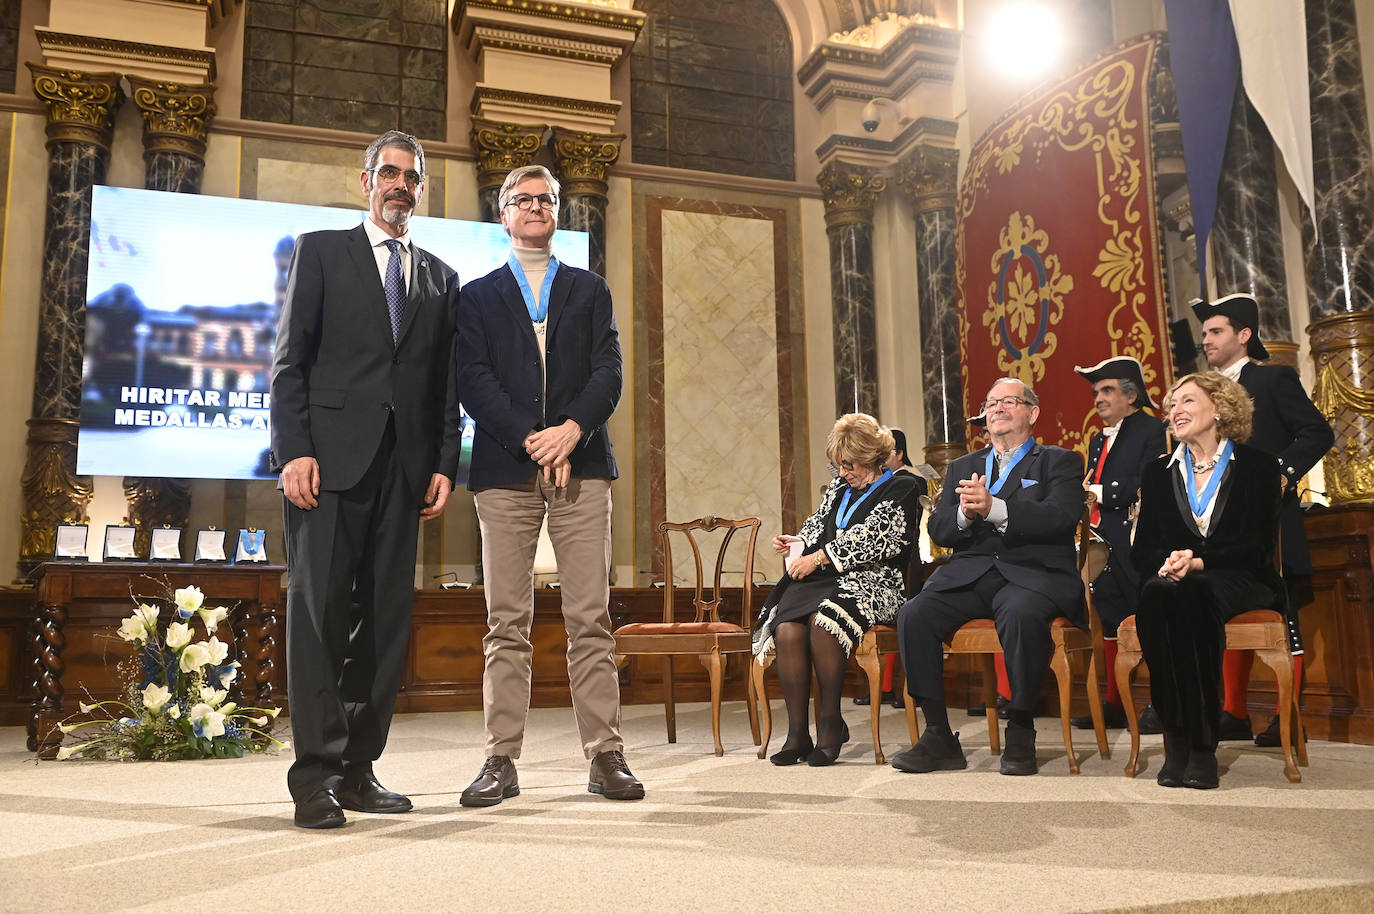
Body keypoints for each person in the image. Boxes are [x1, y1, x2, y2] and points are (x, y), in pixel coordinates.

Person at [271, 130, 462, 829]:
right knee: (319, 621)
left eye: (412, 178)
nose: (400, 186)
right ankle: (313, 778)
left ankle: (358, 769)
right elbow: (291, 361)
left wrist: (444, 460)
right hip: (326, 468)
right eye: (390, 173)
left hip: (404, 473)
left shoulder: (442, 277)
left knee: (384, 627)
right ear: (365, 181)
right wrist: (293, 449)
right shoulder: (321, 251)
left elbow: (445, 387)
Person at [456, 164, 640, 806]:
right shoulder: (475, 296)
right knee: (506, 621)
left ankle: (605, 755)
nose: (536, 207)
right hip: (507, 472)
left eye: (546, 199)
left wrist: (571, 432)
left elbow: (608, 374)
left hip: (582, 468)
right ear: (503, 214)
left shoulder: (590, 290)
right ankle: (500, 761)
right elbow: (473, 380)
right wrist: (534, 441)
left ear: (558, 212)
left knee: (590, 617)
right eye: (522, 199)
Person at [892, 378, 1085, 776]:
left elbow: (1061, 519)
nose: (995, 408)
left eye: (1008, 401)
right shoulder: (964, 466)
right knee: (914, 615)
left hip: (1034, 575)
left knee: (1019, 613)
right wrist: (964, 513)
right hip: (971, 575)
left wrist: (996, 508)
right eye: (990, 401)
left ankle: (1020, 727)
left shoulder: (1058, 461)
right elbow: (940, 530)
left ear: (1032, 413)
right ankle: (939, 736)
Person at [1132, 372, 1284, 789]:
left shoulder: (1258, 466)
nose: (1175, 412)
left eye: (1186, 402)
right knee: (1155, 593)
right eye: (1171, 406)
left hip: (1241, 578)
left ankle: (1201, 746)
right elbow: (1141, 549)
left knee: (1191, 593)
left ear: (1219, 407)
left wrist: (1199, 561)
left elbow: (1257, 547)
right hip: (1176, 578)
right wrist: (1168, 562)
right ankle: (1174, 737)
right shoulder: (1157, 471)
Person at [1193, 294, 1334, 745]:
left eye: (1216, 332)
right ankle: (1232, 712)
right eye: (1204, 334)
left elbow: (1317, 431)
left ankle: (1285, 717)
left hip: (1269, 521)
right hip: (1215, 524)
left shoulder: (1273, 380)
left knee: (1279, 613)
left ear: (1244, 335)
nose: (1207, 341)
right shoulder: (1201, 390)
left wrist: (1281, 473)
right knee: (1226, 613)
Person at [753, 414, 924, 766]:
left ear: (872, 456)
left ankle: (831, 725)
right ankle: (798, 733)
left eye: (850, 464)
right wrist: (797, 543)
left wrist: (818, 558)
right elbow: (819, 527)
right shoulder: (839, 489)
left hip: (877, 582)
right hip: (829, 578)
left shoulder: (903, 486)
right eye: (840, 465)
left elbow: (879, 540)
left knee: (822, 620)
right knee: (786, 628)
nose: (844, 472)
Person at [1071, 356, 1167, 731]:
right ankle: (1114, 702)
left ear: (1132, 396)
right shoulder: (1098, 440)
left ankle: (1161, 701)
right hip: (1105, 542)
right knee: (1110, 620)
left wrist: (1096, 492)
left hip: (1138, 540)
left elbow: (1151, 480)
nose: (1098, 398)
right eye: (1096, 392)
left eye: (1107, 390)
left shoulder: (1152, 429)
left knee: (1148, 618)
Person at [853, 426, 918, 710]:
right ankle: (884, 686)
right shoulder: (872, 484)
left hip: (905, 562)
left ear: (899, 454)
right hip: (874, 564)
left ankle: (906, 687)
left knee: (905, 622)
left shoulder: (909, 482)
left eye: (885, 453)